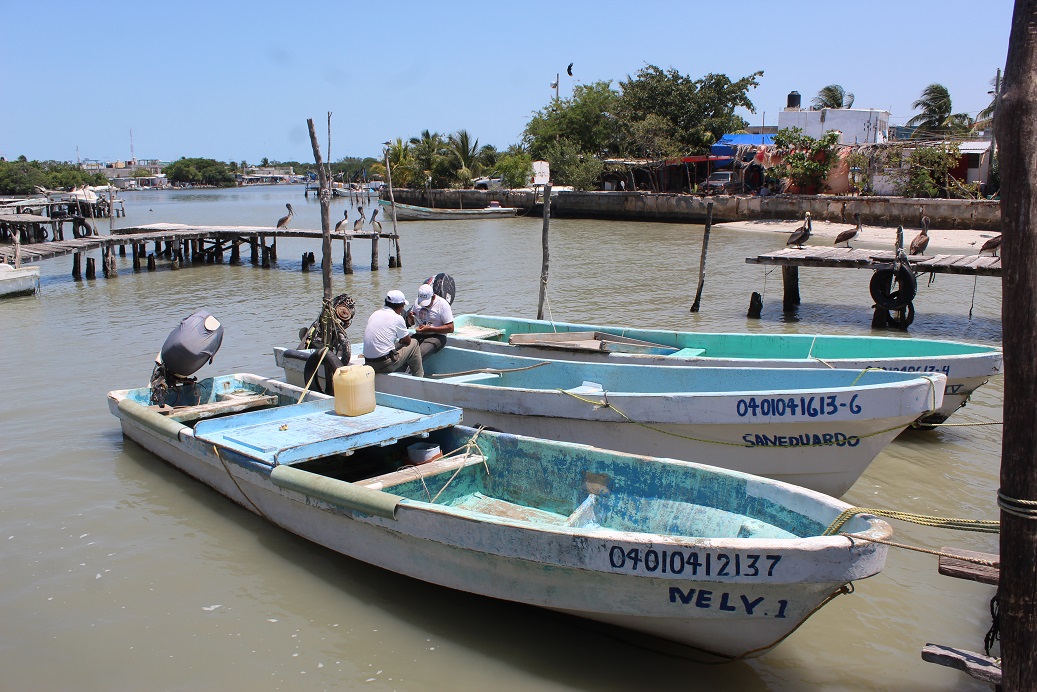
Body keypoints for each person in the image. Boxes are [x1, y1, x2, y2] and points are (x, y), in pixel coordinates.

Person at [362, 290, 423, 377]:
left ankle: (402, 370)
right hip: (384, 364)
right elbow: (408, 341)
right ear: (400, 306)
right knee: (414, 343)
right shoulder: (397, 318)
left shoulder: (374, 314)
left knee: (394, 344)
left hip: (368, 363)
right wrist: (404, 339)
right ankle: (418, 378)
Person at [407, 283, 454, 359]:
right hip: (420, 334)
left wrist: (429, 329)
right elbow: (412, 323)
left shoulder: (442, 304)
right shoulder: (417, 302)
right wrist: (410, 318)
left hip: (437, 336)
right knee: (402, 349)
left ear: (433, 296)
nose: (424, 305)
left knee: (417, 355)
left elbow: (451, 328)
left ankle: (412, 367)